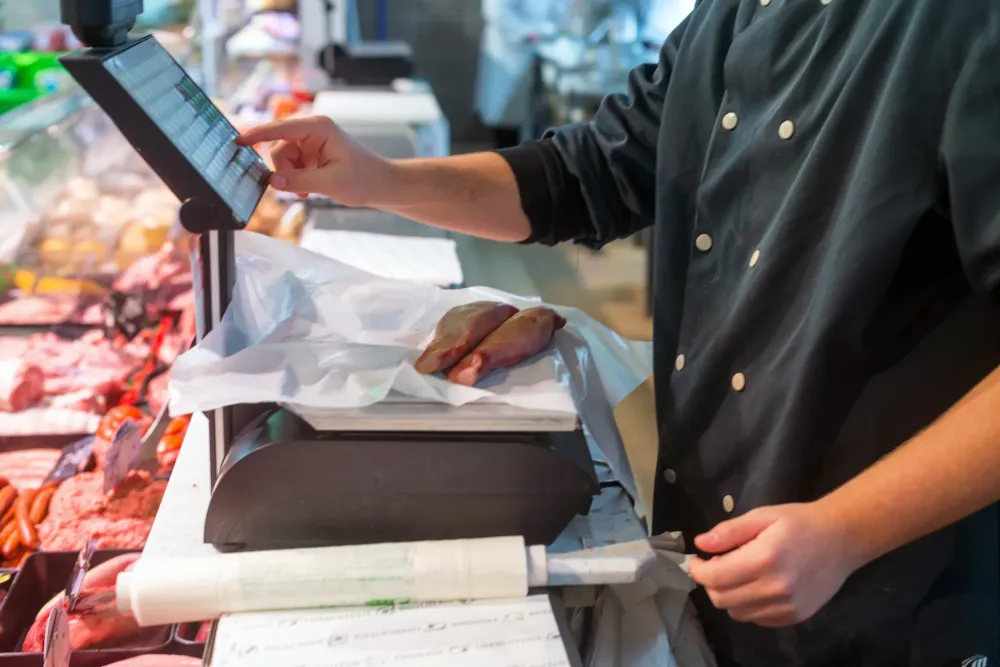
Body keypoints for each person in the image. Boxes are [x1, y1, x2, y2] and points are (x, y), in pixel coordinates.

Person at [236, 0, 1000, 664]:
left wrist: (847, 530)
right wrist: (378, 181)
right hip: (721, 551)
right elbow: (588, 175)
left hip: (892, 590)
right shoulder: (735, 13)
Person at [473, 0, 570, 148]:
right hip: (509, 57)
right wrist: (531, 32)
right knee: (507, 124)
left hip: (537, 54)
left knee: (528, 125)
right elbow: (497, 13)